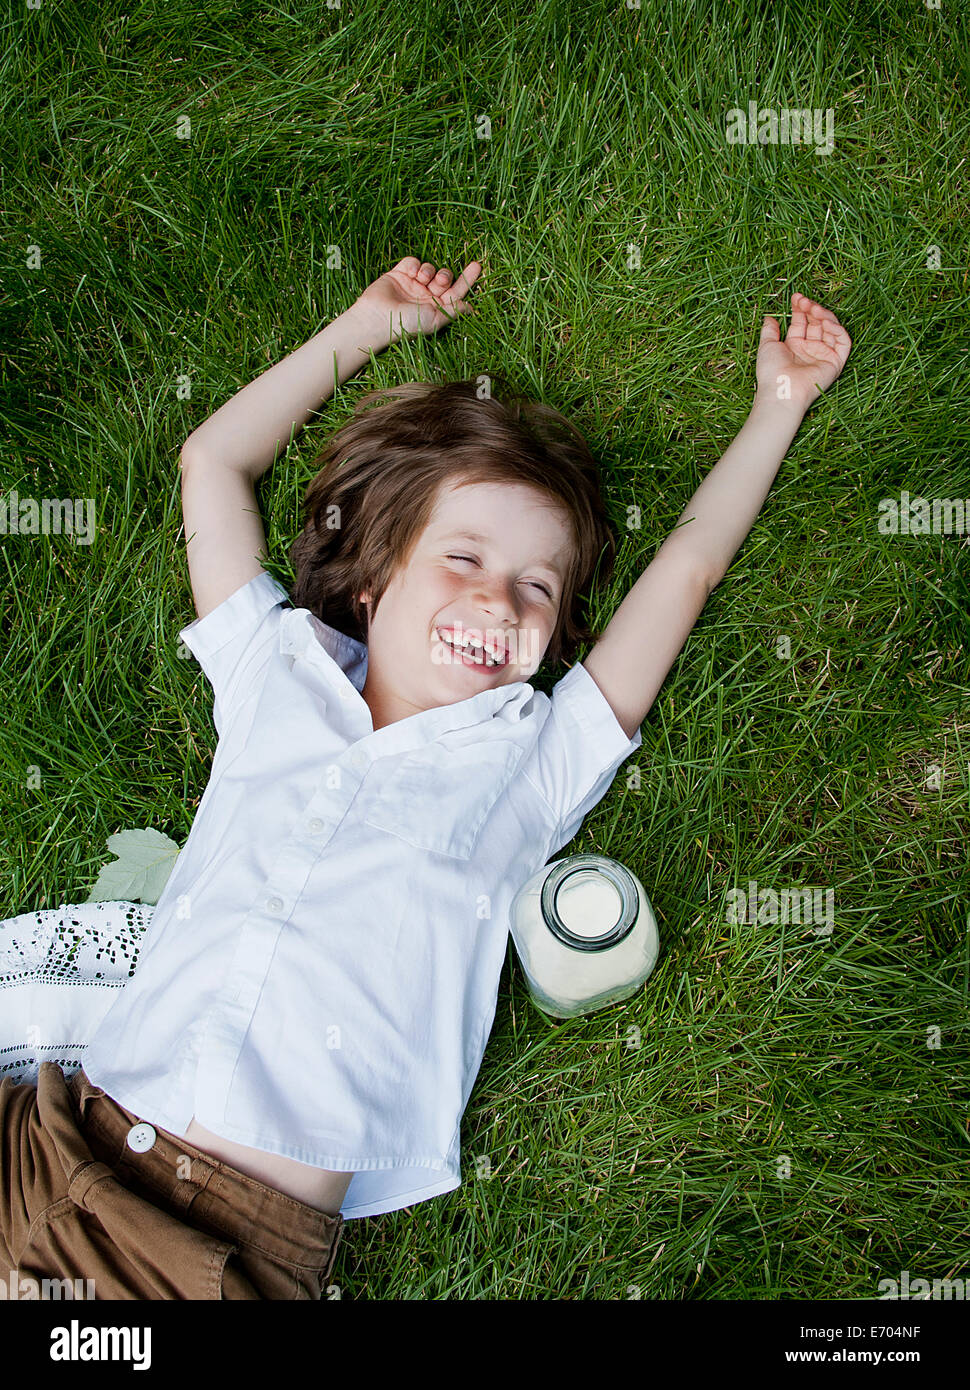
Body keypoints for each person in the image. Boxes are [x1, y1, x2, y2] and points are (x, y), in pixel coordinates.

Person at [0, 257, 851, 1299]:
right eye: (462, 559)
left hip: (215, 1246)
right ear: (370, 578)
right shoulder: (276, 669)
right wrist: (364, 329)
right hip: (52, 1133)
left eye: (536, 586)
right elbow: (211, 462)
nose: (499, 599)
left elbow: (687, 567)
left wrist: (778, 406)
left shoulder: (532, 767)